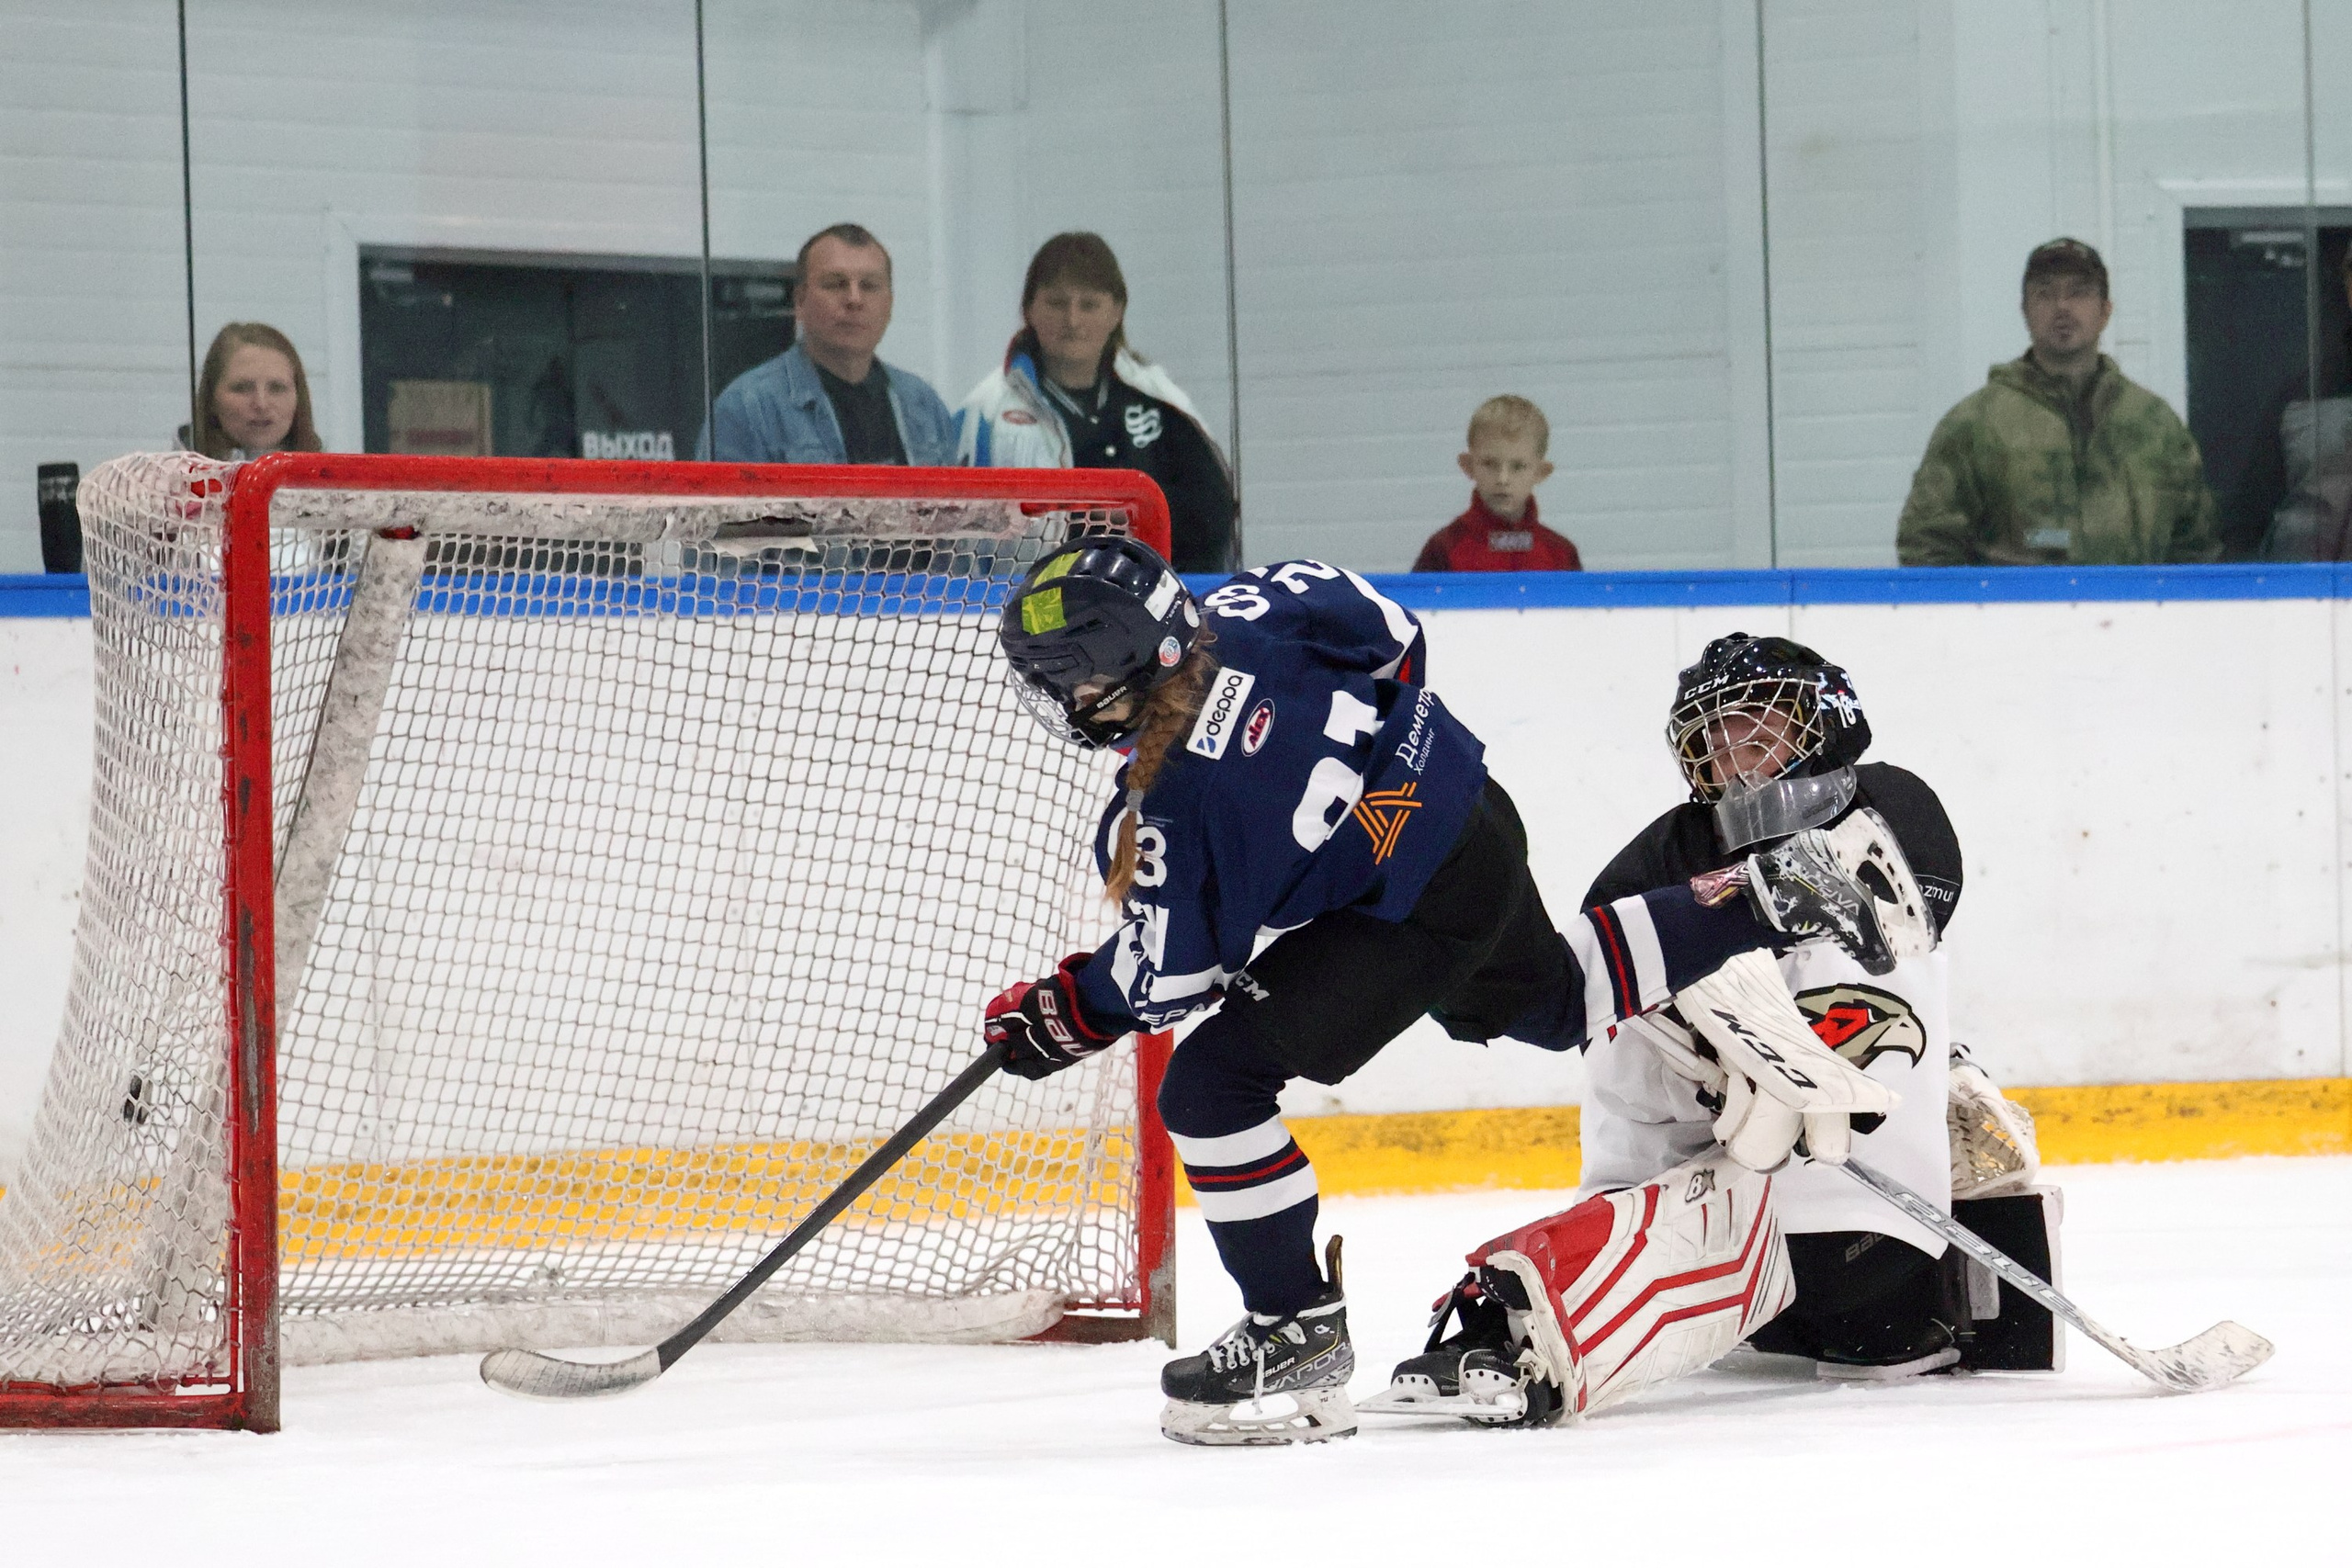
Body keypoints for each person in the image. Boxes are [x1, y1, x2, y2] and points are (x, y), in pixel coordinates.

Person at [982, 541, 1933, 1446]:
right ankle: (1767, 889)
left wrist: (1067, 1012)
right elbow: (1388, 627)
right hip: (1467, 810)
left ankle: (1292, 1333)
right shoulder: (1247, 609)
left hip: (1407, 913)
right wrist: (1379, 794)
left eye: (1065, 678)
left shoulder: (1172, 810)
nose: (1061, 699)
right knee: (1553, 1002)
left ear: (1115, 671)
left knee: (1210, 1089)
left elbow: (1169, 980)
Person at [1363, 634, 2046, 1427]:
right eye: (1713, 736)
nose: (1734, 750)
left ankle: (1540, 1324)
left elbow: (1896, 951)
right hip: (1759, 1219)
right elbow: (1604, 1048)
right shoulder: (1653, 863)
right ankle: (1526, 1310)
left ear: (1827, 719)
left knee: (1835, 1244)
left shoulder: (1889, 813)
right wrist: (1705, 1068)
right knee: (1665, 1115)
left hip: (1862, 1238)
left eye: (1758, 722)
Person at [1897, 239, 2221, 566]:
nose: (2062, 306)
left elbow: (2196, 548)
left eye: (2079, 292)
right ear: (2025, 311)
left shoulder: (2155, 425)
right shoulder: (1975, 426)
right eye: (2045, 294)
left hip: (2133, 615)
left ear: (2105, 310)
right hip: (2018, 616)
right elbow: (1927, 548)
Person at [957, 233, 1236, 572]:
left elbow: (1214, 515)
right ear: (1029, 308)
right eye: (1057, 303)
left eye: (1089, 304)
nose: (1073, 321)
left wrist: (1135, 517)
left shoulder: (1161, 400)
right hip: (1034, 610)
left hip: (1153, 606)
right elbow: (957, 540)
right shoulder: (986, 412)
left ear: (1117, 311)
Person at [698, 223, 956, 466]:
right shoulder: (748, 409)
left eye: (869, 286)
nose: (854, 299)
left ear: (889, 304)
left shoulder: (924, 405)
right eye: (835, 284)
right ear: (799, 302)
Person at [1411, 396, 1582, 571]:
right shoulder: (1443, 549)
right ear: (1468, 466)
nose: (1503, 479)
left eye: (1518, 467)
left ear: (1541, 472)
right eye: (1490, 464)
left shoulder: (1561, 554)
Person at [184, 322, 322, 460]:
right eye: (242, 388)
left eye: (276, 388)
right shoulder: (170, 480)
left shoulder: (333, 480)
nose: (261, 404)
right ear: (211, 399)